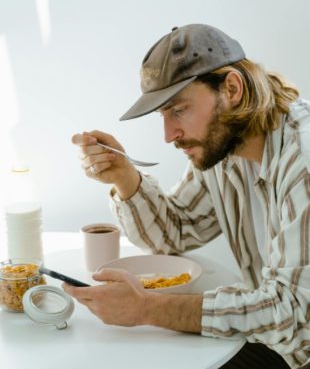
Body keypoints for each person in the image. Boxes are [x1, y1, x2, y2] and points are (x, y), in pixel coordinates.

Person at [68, 24, 310, 368]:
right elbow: (177, 230)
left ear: (232, 89)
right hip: (277, 342)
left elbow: (295, 315)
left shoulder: (302, 158)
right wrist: (125, 177)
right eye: (162, 115)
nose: (169, 135)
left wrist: (146, 308)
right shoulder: (226, 150)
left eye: (179, 110)